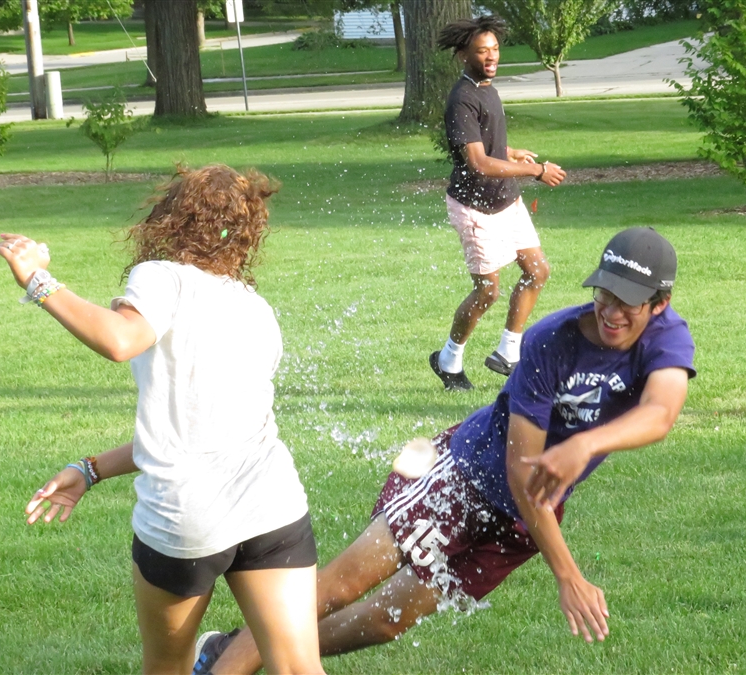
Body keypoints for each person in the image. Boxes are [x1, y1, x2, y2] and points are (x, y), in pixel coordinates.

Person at [195, 227, 695, 675]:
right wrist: (568, 575)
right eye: (604, 294)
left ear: (659, 303)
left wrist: (584, 444)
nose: (610, 311)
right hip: (459, 474)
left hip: (519, 521)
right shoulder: (551, 341)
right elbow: (523, 473)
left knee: (386, 622)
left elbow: (661, 414)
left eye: (627, 302)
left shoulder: (667, 339)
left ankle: (250, 648)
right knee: (337, 589)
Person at [1, 165, 325, 675]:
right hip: (273, 509)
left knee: (167, 667)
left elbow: (120, 340)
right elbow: (198, 429)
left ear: (172, 220)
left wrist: (38, 279)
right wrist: (90, 470)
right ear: (246, 234)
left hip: (186, 520)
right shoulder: (256, 309)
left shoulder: (162, 277)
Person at [429, 15, 567, 391]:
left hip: (506, 201)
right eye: (481, 51)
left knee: (537, 271)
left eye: (494, 49)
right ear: (463, 55)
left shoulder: (487, 87)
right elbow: (477, 161)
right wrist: (536, 170)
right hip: (475, 207)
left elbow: (488, 147)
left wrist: (512, 151)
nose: (491, 56)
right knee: (487, 289)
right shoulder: (463, 98)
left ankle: (508, 353)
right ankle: (448, 359)